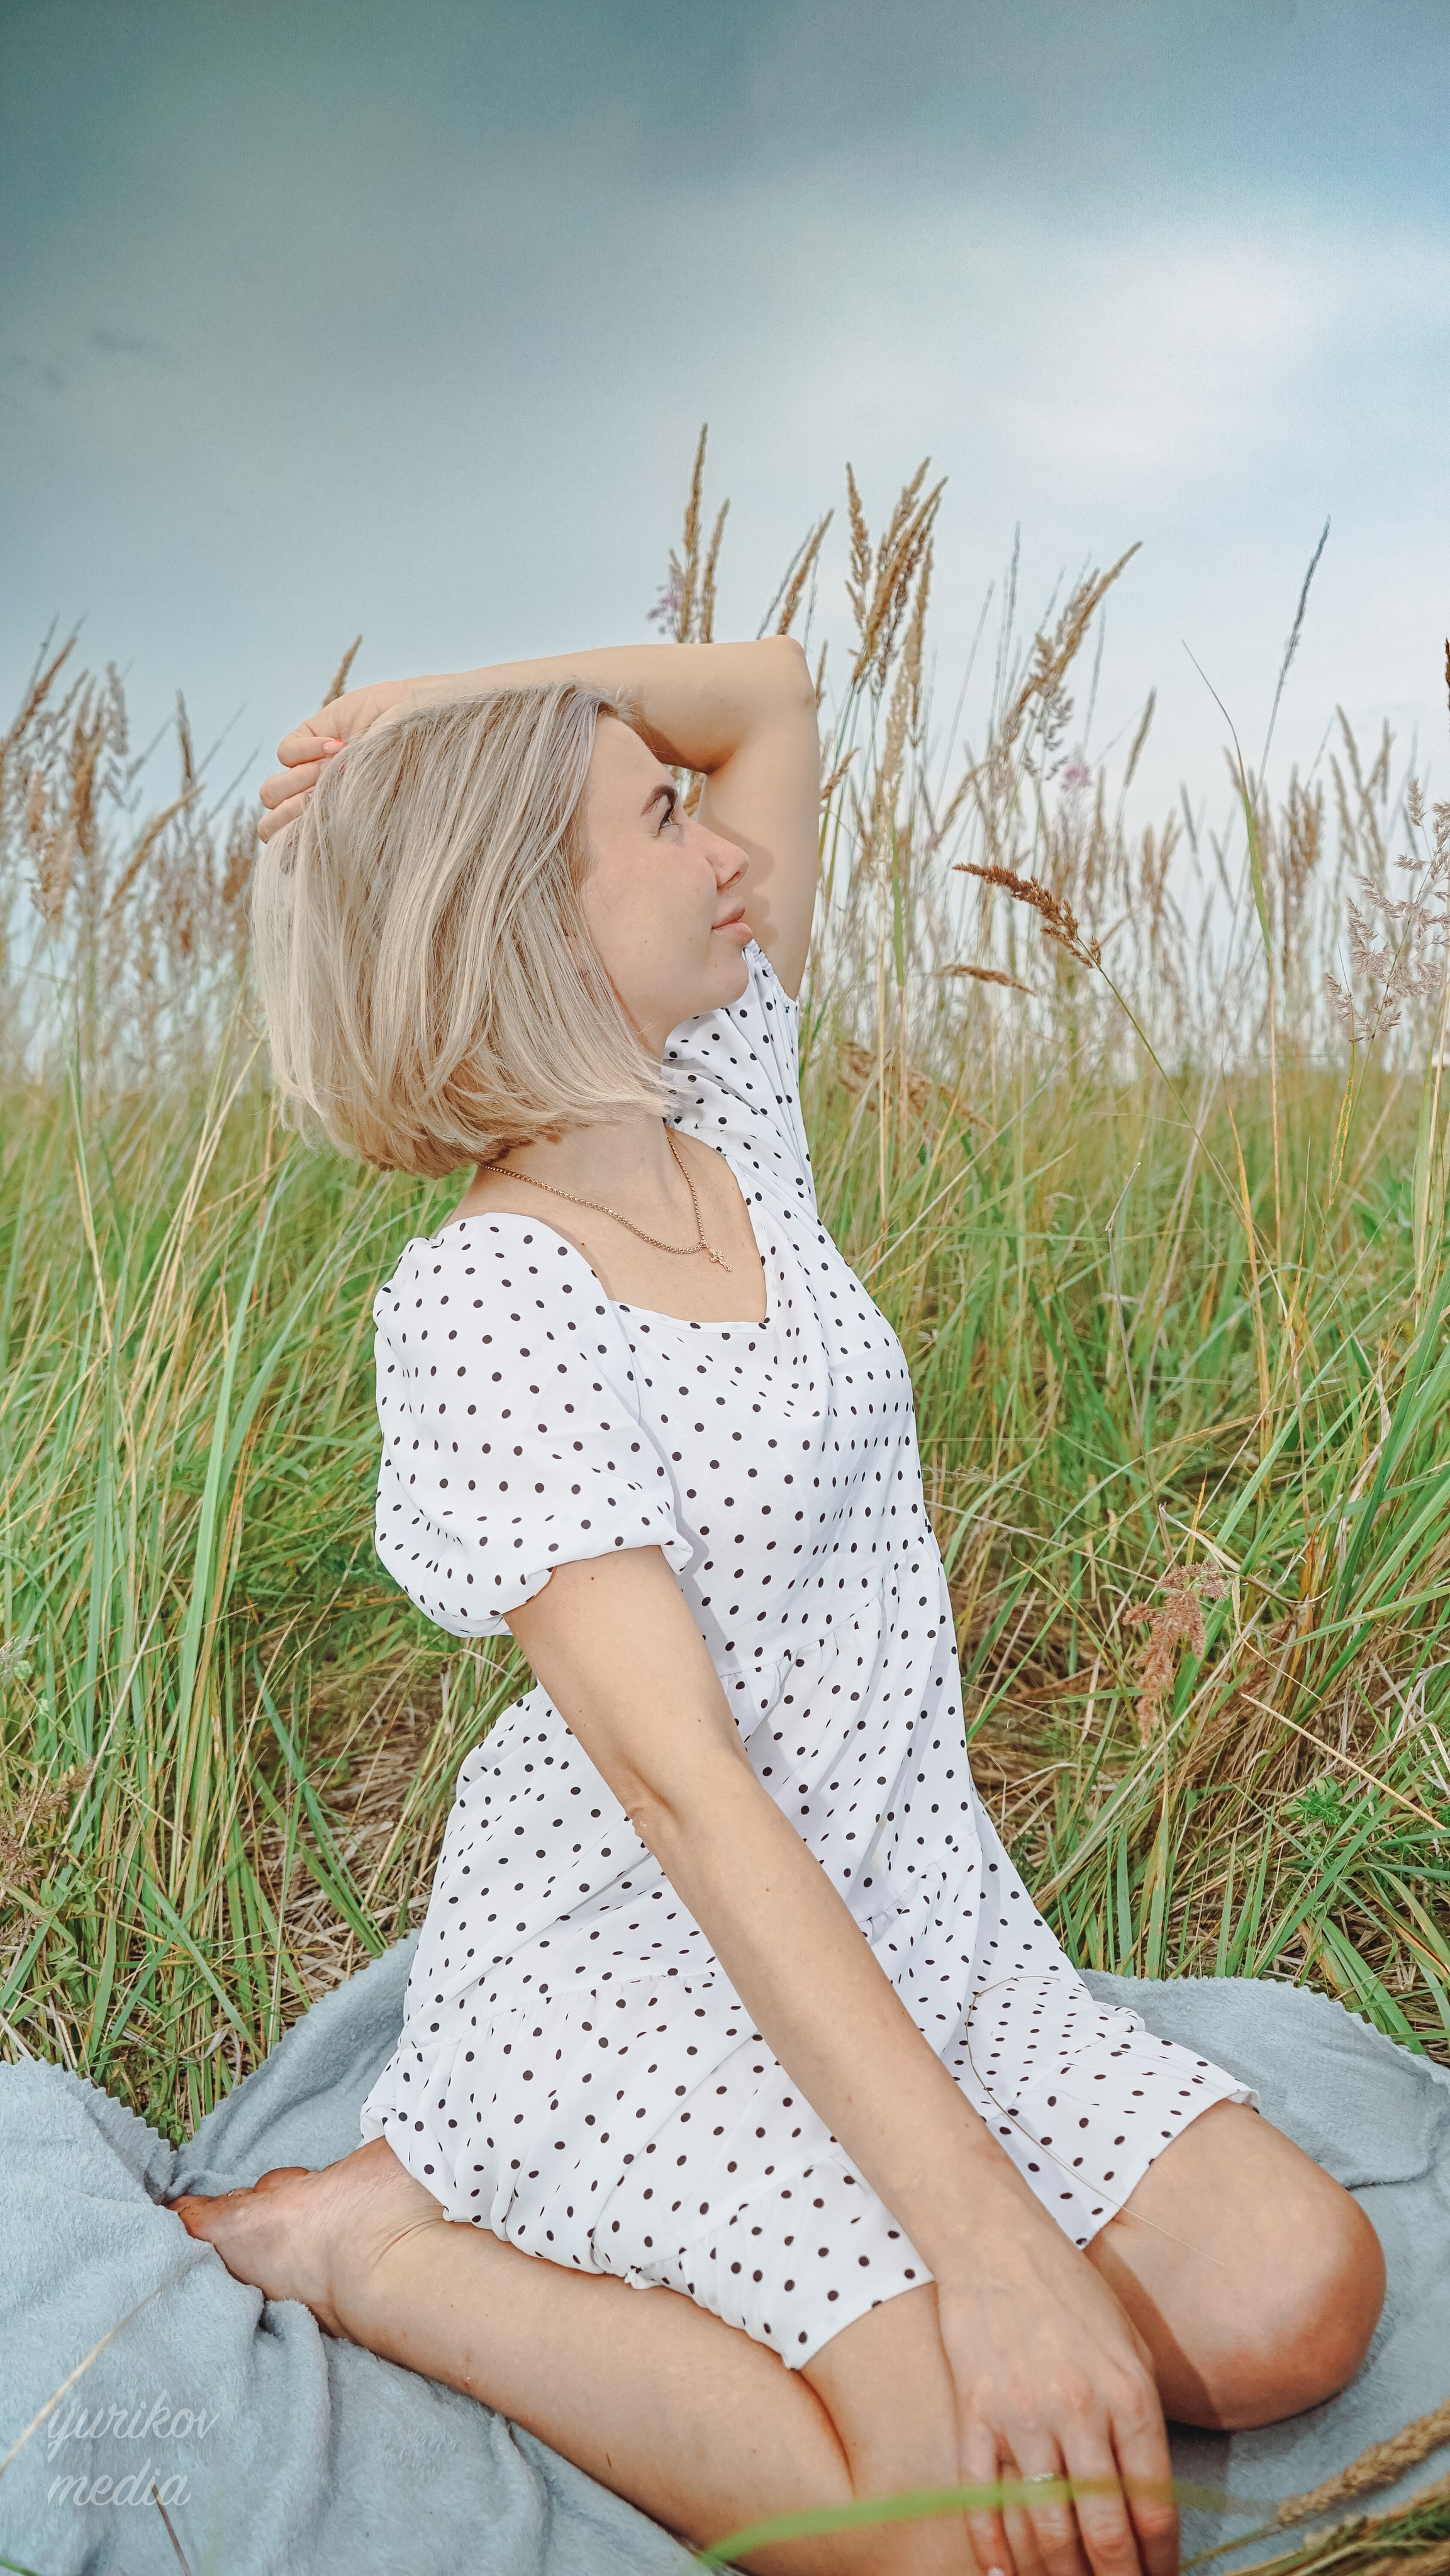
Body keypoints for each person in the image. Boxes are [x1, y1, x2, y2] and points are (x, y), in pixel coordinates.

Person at [175, 638, 1383, 2576]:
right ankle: (379, 2242)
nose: (721, 841)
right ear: (525, 921)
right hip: (648, 1962)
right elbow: (685, 1797)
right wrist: (991, 2259)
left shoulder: (725, 1103)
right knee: (981, 2530)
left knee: (1292, 2299)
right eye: (658, 820)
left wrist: (431, 712)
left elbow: (772, 690)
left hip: (906, 1897)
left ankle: (890, 2238)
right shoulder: (490, 1307)